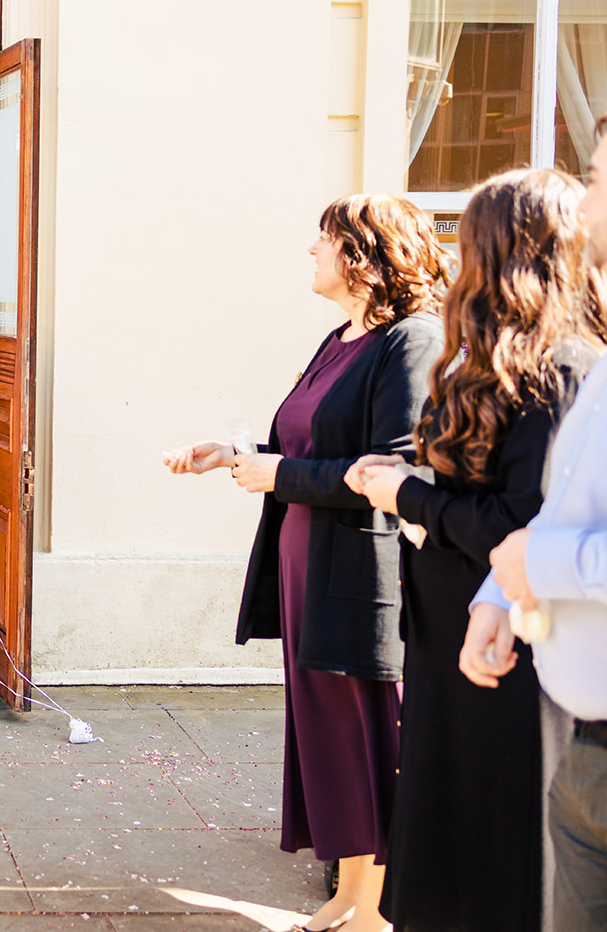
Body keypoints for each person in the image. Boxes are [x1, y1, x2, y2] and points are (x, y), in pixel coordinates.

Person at [164, 193, 448, 932]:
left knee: (366, 735)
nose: (312, 253)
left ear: (360, 254)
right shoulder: (338, 337)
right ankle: (350, 898)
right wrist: (234, 456)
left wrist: (282, 476)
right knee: (329, 736)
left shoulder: (411, 340)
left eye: (323, 241)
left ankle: (374, 908)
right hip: (304, 568)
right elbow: (308, 442)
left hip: (359, 573)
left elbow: (396, 466)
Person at [347, 169, 603, 932]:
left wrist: (412, 498)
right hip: (448, 627)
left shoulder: (567, 371)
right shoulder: (480, 363)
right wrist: (416, 486)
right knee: (443, 840)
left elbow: (521, 524)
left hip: (512, 658)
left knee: (499, 857)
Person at [462, 118, 607, 931]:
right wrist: (499, 590)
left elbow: (541, 536)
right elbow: (569, 507)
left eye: (595, 179)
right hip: (589, 759)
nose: (583, 206)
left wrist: (532, 566)